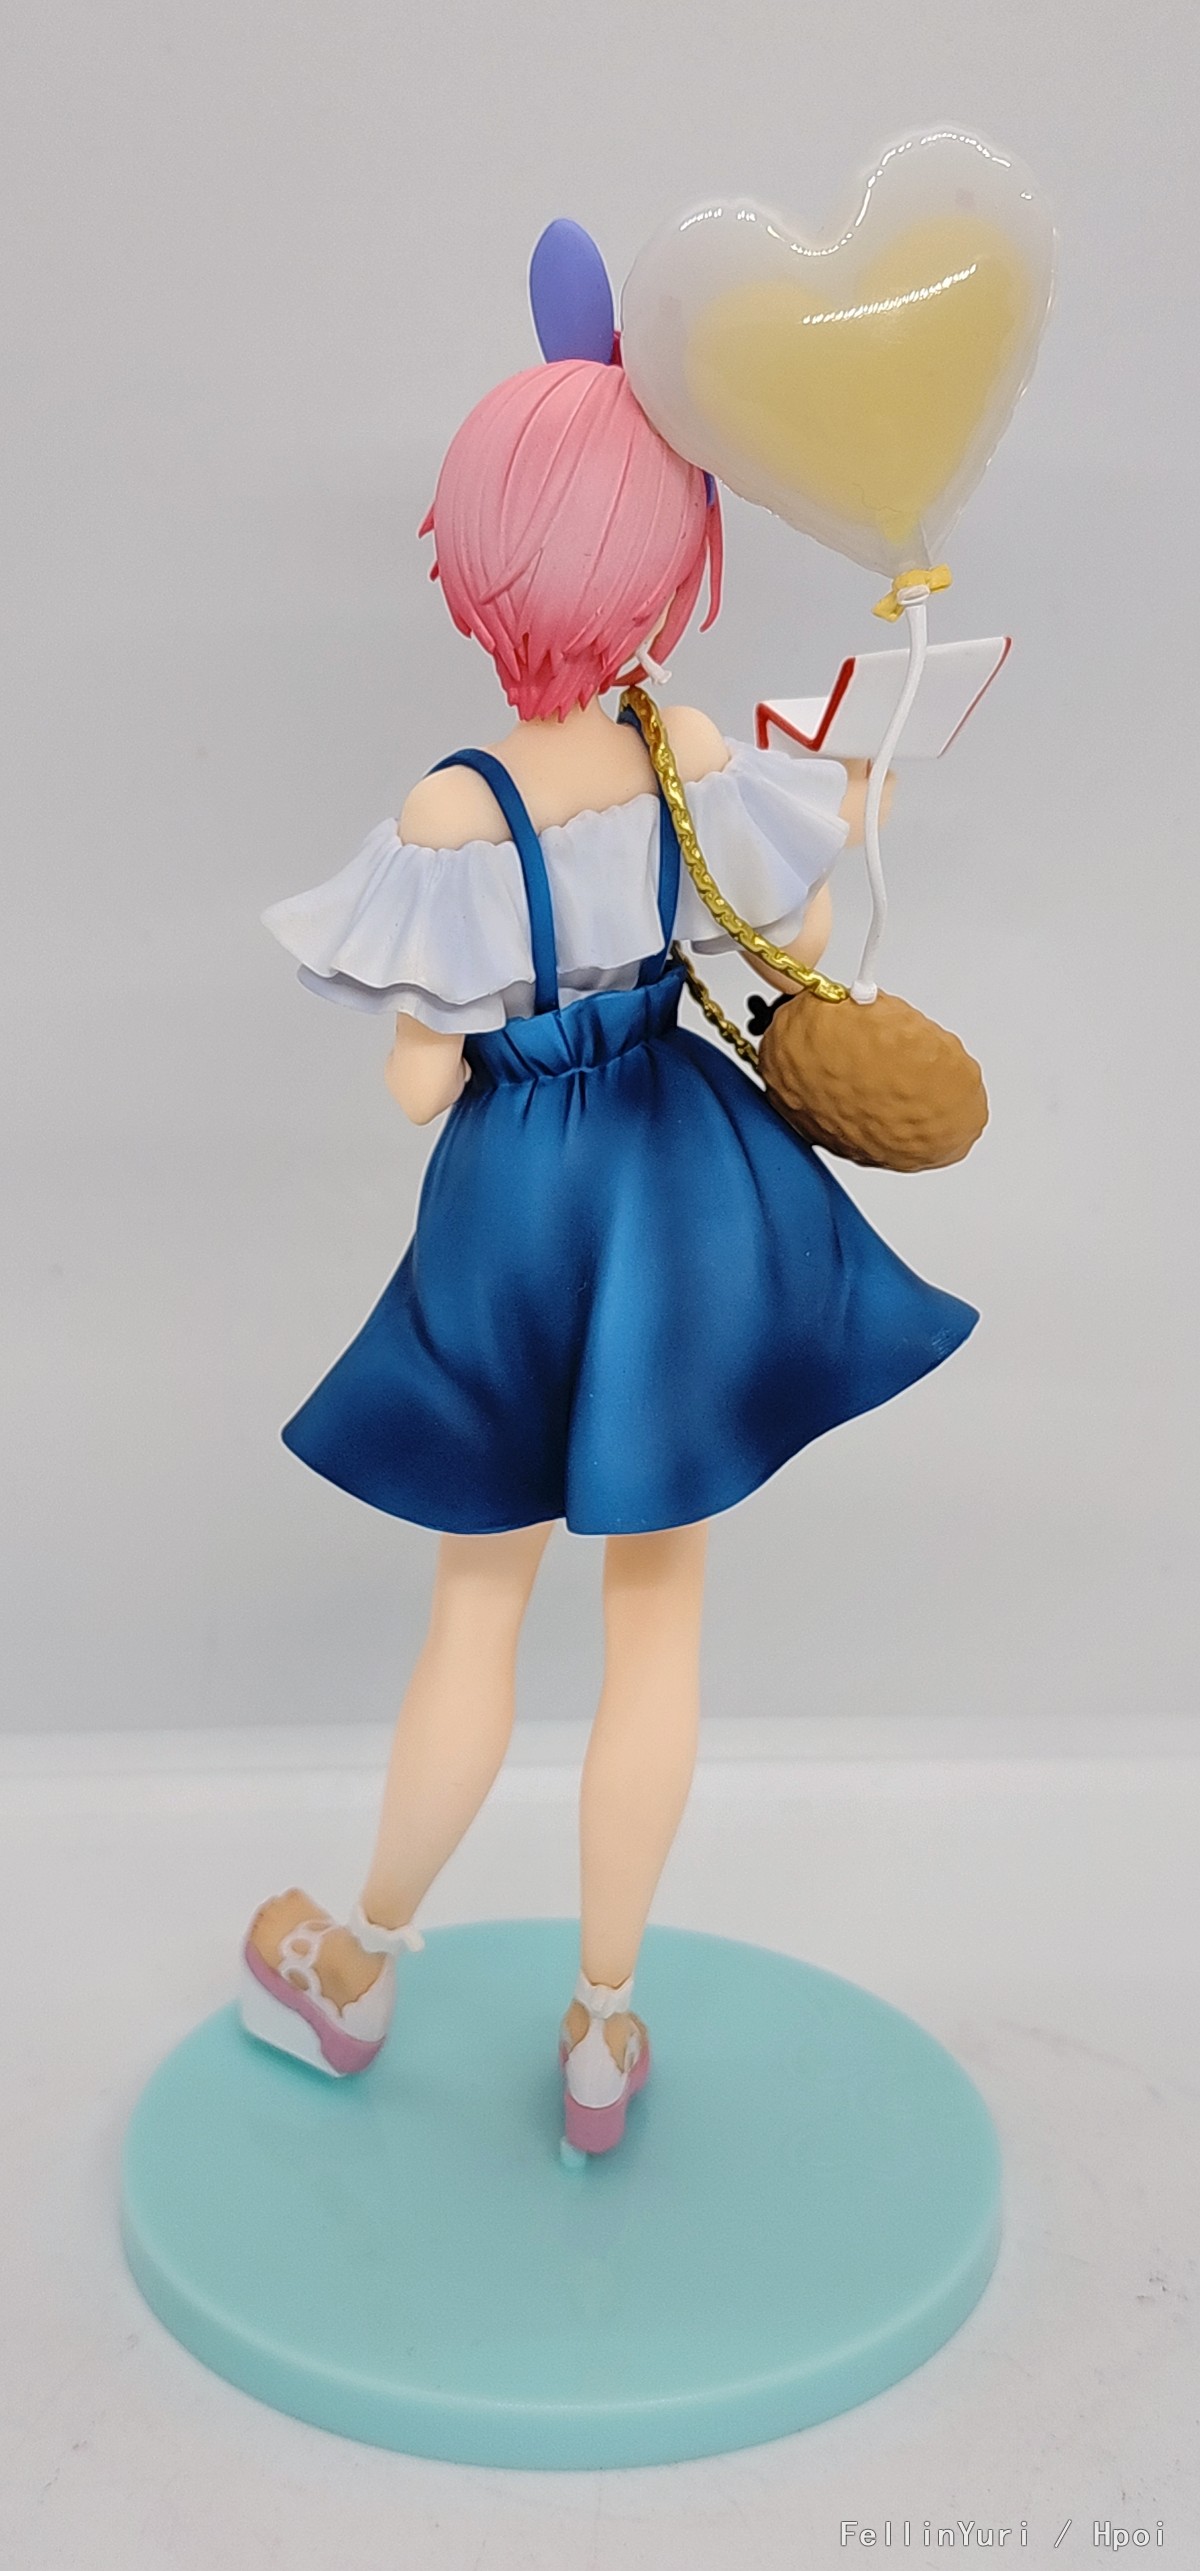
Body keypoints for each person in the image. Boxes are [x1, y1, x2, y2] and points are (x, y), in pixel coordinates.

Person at [240, 332, 976, 2155]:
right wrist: (851, 782)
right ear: (666, 570)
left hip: (520, 1207)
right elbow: (791, 918)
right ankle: (601, 2023)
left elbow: (421, 1081)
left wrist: (469, 1027)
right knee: (658, 1617)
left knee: (476, 1610)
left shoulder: (451, 811)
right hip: (673, 1186)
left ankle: (356, 1964)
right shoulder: (688, 745)